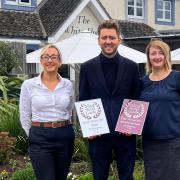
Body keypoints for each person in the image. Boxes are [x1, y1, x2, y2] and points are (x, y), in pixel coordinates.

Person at [79, 19, 141, 180]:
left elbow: (137, 99)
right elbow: (84, 99)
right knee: (99, 177)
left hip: (125, 135)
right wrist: (87, 129)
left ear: (119, 40)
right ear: (98, 40)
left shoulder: (132, 67)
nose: (108, 41)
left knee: (127, 177)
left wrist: (133, 128)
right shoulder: (86, 67)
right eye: (104, 37)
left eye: (112, 38)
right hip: (98, 134)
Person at [19, 44, 75, 180]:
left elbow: (69, 108)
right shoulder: (29, 85)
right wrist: (33, 134)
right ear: (41, 61)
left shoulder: (68, 84)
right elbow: (25, 114)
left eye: (54, 57)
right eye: (46, 57)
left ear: (60, 62)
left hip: (64, 135)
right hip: (40, 137)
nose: (50, 60)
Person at [140, 39, 180, 180]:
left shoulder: (176, 78)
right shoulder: (142, 82)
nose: (157, 56)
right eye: (153, 53)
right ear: (148, 57)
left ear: (166, 56)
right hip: (150, 141)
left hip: (173, 141)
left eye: (161, 53)